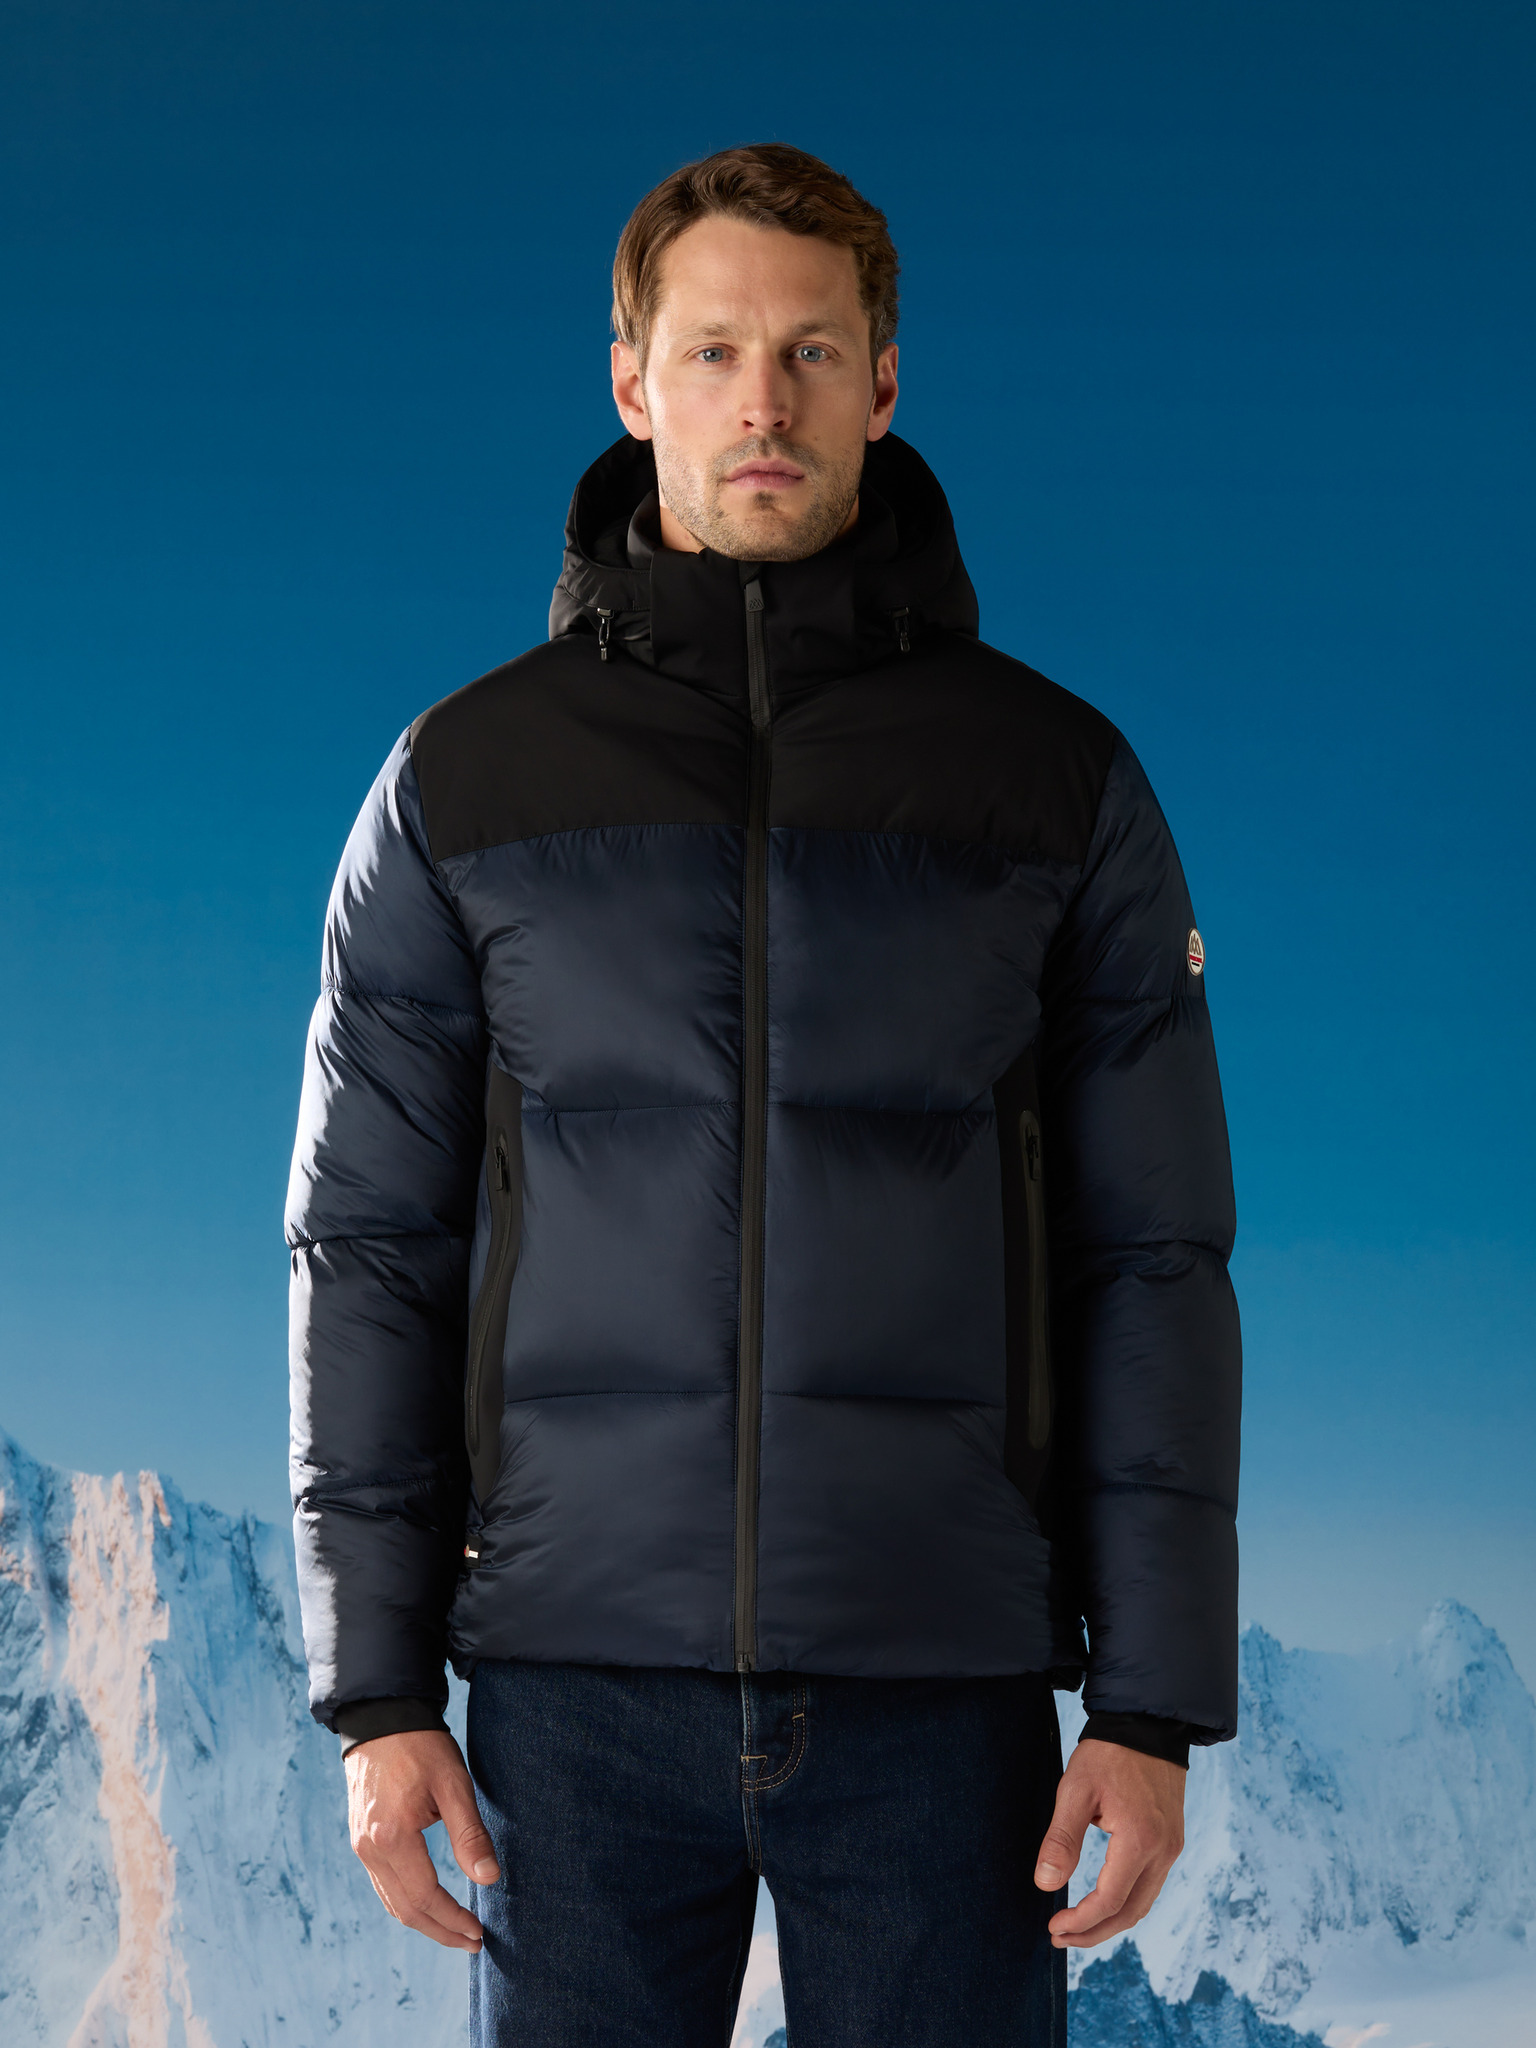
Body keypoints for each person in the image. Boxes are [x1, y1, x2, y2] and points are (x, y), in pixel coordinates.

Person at [286, 143, 1241, 2048]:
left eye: (811, 352)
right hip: (570, 1690)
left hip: (939, 1695)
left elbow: (1151, 1255)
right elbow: (372, 1247)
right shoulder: (461, 781)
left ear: (883, 384)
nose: (764, 402)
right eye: (714, 351)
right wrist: (378, 1696)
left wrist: (1148, 1705)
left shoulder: (1057, 784)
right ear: (632, 382)